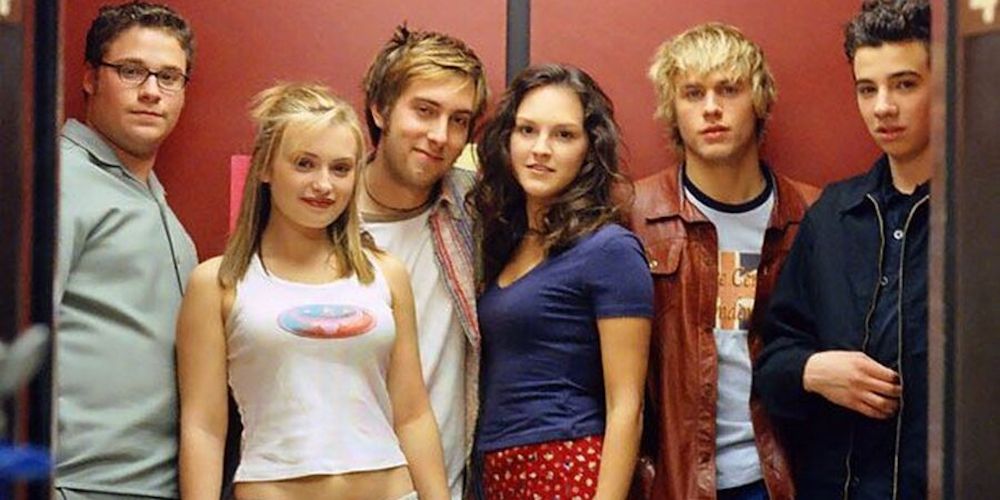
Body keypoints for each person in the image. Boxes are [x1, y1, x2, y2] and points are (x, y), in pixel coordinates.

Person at [176, 83, 449, 500]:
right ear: (266, 167)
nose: (324, 184)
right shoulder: (216, 284)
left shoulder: (386, 274)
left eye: (341, 169)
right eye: (305, 164)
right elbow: (204, 428)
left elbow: (412, 414)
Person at [629, 23, 819, 500]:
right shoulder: (635, 215)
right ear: (672, 109)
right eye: (693, 93)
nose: (711, 108)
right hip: (674, 482)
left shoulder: (810, 217)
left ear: (758, 101)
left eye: (728, 89)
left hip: (781, 478)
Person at [755, 1, 932, 498]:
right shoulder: (832, 215)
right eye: (867, 89)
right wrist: (812, 371)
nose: (883, 108)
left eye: (905, 84)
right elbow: (774, 360)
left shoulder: (980, 219)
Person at [470, 63, 653, 499]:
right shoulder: (503, 243)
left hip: (567, 463)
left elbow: (627, 406)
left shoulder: (610, 249)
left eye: (564, 135)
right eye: (527, 130)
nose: (541, 149)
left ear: (590, 149)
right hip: (497, 468)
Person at [55, 2, 197, 497]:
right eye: (131, 71)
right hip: (78, 485)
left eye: (169, 77)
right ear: (91, 77)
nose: (152, 92)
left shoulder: (159, 207)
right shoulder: (57, 179)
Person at [358, 24, 488, 499]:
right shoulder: (319, 215)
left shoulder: (475, 209)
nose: (440, 136)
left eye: (459, 121)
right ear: (380, 109)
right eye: (425, 111)